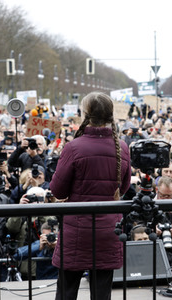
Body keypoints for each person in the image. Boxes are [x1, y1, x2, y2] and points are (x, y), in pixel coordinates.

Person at [50, 92, 131, 300]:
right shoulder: (122, 147)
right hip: (108, 230)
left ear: (85, 113)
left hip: (77, 230)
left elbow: (57, 191)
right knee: (102, 294)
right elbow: (123, 187)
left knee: (66, 292)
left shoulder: (73, 147)